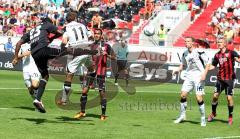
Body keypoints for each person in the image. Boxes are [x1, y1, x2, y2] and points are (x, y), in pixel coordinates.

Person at [12, 17, 98, 113]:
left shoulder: (32, 31)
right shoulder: (47, 24)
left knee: (45, 75)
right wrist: (51, 38)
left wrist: (16, 57)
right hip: (44, 49)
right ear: (49, 22)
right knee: (64, 50)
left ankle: (37, 100)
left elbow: (18, 43)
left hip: (35, 54)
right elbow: (60, 33)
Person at [74, 28, 116, 120]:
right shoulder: (91, 45)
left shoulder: (106, 46)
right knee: (84, 91)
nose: (96, 35)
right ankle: (82, 112)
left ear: (101, 35)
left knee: (101, 92)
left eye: (98, 34)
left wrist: (107, 55)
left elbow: (114, 57)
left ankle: (103, 114)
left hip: (101, 70)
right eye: (95, 33)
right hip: (91, 70)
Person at [201, 36, 240, 125]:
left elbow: (238, 59)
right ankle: (213, 113)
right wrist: (205, 67)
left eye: (221, 42)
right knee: (215, 96)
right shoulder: (217, 55)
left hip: (229, 79)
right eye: (218, 42)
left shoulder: (231, 52)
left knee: (229, 98)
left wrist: (237, 59)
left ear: (225, 43)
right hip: (220, 79)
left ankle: (230, 117)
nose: (219, 43)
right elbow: (213, 66)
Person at [58, 11, 94, 105]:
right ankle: (92, 82)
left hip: (76, 51)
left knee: (69, 74)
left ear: (67, 20)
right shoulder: (82, 25)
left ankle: (64, 100)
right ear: (75, 18)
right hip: (87, 50)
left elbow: (64, 42)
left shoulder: (66, 28)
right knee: (91, 68)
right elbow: (91, 37)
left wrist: (62, 50)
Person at [172, 36, 209, 126]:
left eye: (188, 41)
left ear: (193, 43)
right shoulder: (184, 53)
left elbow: (208, 64)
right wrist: (177, 69)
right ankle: (182, 115)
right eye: (185, 41)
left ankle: (203, 118)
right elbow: (182, 65)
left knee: (198, 98)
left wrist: (204, 73)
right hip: (189, 76)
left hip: (199, 77)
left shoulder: (199, 52)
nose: (186, 43)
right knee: (183, 95)